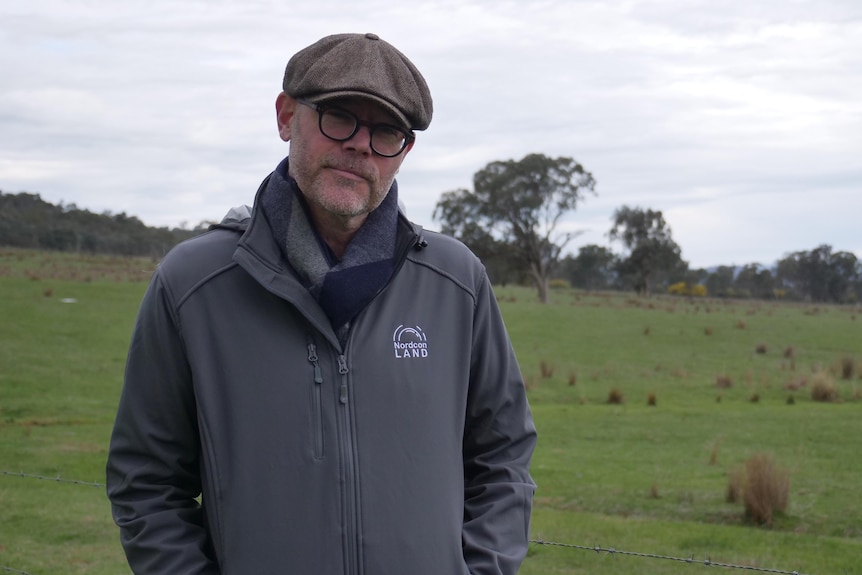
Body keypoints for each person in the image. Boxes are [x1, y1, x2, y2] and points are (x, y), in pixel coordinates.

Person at [106, 32, 536, 575]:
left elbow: (503, 456)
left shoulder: (456, 281)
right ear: (287, 117)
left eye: (386, 132)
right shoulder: (194, 284)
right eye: (339, 118)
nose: (360, 145)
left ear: (405, 152)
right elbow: (146, 481)